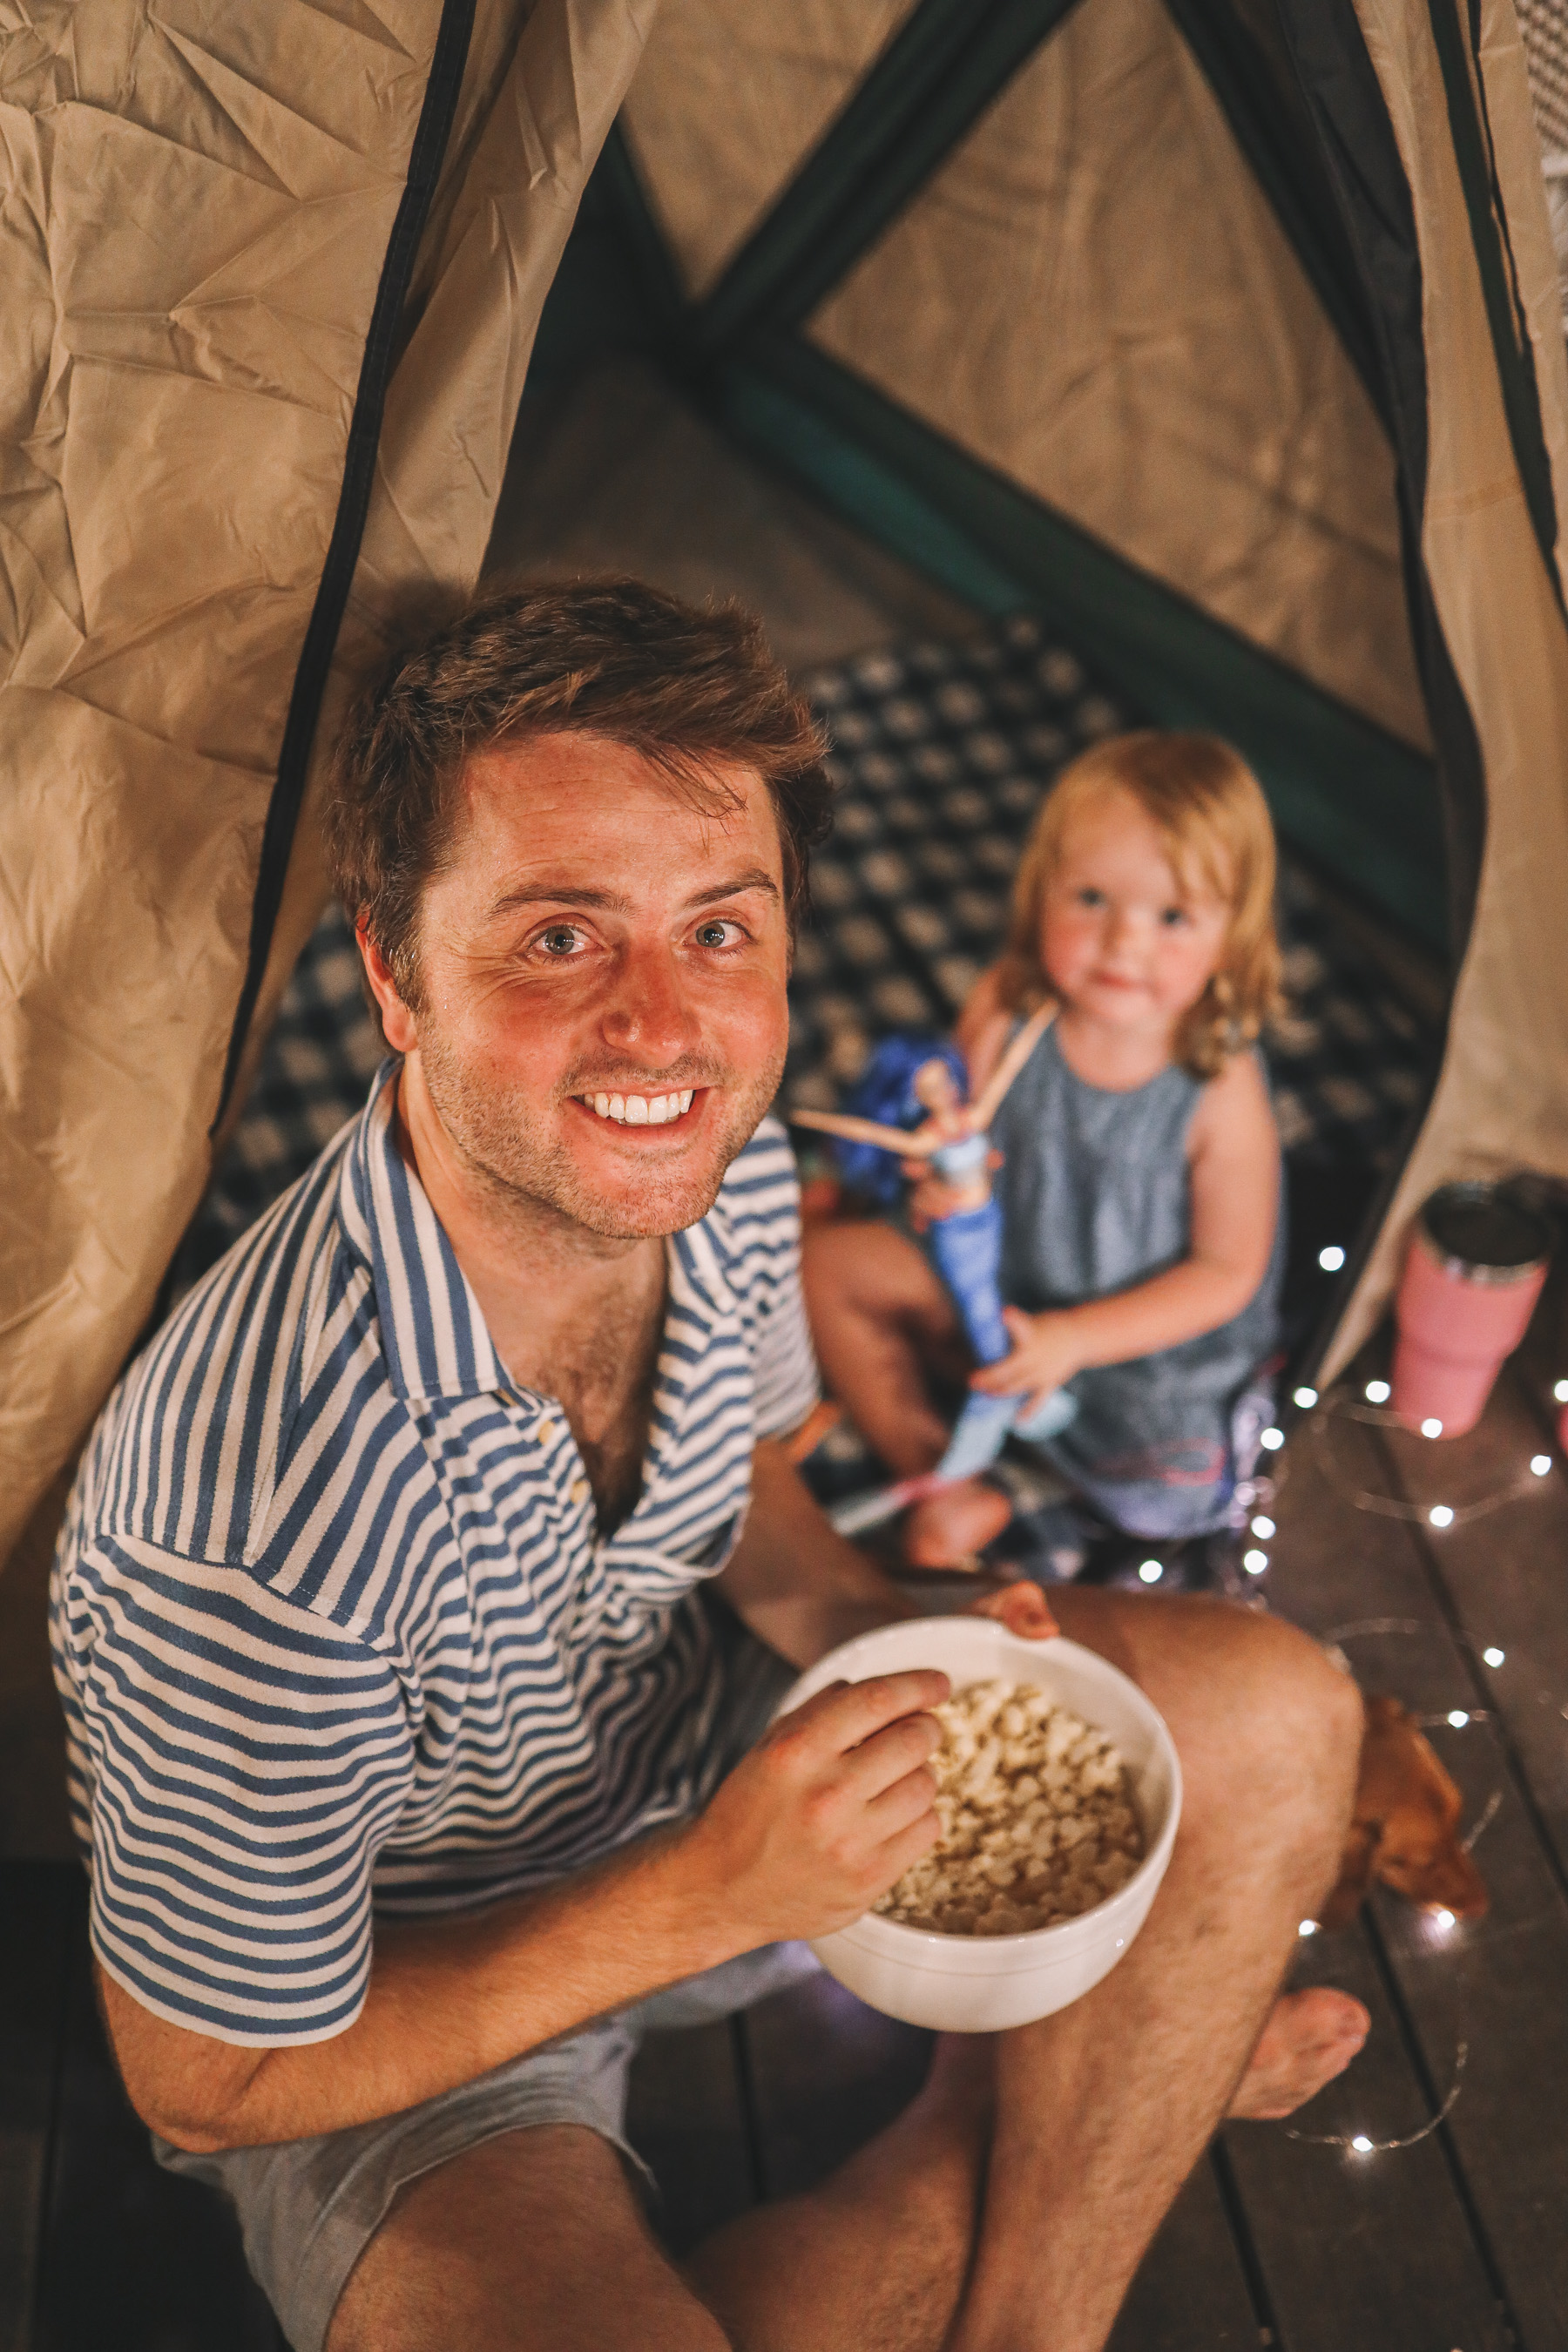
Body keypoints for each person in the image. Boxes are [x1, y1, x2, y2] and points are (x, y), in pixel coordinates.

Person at [52, 584, 1366, 2352]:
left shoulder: (725, 1171)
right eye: (560, 938)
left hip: (715, 1766)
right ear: (393, 972)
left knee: (1283, 1713)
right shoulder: (237, 1530)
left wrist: (891, 1625)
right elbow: (204, 2077)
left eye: (722, 930)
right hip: (395, 2003)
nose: (666, 1030)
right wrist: (715, 1894)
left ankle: (1038, 2321)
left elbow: (742, 1475)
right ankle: (1068, 2098)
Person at [805, 731, 1285, 1574]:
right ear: (1041, 892)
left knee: (1169, 1500)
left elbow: (1226, 1272)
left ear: (1230, 936)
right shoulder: (1009, 1005)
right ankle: (941, 1475)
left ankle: (1003, 1403)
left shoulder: (1217, 1079)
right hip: (994, 1282)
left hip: (1135, 1342)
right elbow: (959, 1155)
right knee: (823, 1271)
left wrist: (1071, 1338)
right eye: (1092, 899)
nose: (1124, 944)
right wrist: (937, 1184)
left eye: (1172, 918)